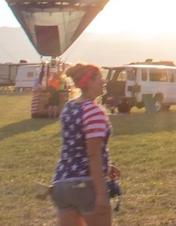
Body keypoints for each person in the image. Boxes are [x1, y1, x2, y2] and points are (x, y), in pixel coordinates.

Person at [50, 63, 122, 225]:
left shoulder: (70, 107)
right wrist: (101, 194)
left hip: (62, 184)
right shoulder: (94, 110)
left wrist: (107, 167)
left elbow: (76, 145)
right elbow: (92, 153)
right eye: (101, 78)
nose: (104, 82)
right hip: (85, 184)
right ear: (89, 81)